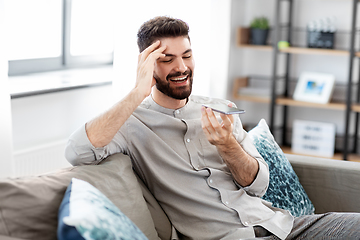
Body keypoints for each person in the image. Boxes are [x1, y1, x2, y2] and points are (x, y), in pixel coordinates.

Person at [65, 16, 360, 240]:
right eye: (167, 59)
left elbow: (258, 186)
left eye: (187, 55)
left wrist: (228, 146)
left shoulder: (221, 108)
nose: (181, 67)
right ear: (146, 65)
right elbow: (77, 151)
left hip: (283, 226)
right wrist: (136, 91)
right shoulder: (131, 123)